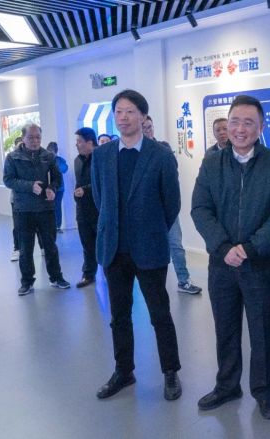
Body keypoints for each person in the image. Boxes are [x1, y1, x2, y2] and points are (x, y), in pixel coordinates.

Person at [191, 95, 270, 420]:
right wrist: (223, 248)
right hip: (221, 264)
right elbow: (200, 209)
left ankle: (265, 392)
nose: (239, 129)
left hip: (259, 264)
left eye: (249, 122)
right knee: (225, 329)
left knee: (262, 332)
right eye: (235, 121)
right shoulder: (212, 163)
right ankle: (227, 386)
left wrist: (249, 248)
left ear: (261, 127)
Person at [91, 89, 182, 401]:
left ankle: (170, 371)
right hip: (113, 249)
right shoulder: (102, 155)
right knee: (119, 316)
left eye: (130, 111)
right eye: (118, 111)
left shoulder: (160, 155)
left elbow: (172, 203)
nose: (123, 118)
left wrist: (151, 229)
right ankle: (123, 371)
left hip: (149, 248)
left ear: (143, 116)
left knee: (159, 314)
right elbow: (99, 198)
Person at [3, 123, 71, 295]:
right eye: (31, 137)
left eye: (38, 137)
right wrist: (29, 186)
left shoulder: (48, 156)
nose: (35, 141)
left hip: (45, 208)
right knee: (25, 249)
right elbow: (8, 180)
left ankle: (56, 277)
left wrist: (52, 189)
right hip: (23, 209)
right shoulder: (13, 157)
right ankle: (27, 282)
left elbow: (57, 178)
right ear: (23, 138)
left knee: (50, 246)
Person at [142, 115, 202, 295]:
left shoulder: (164, 148)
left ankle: (183, 280)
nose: (148, 131)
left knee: (175, 245)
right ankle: (152, 284)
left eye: (150, 127)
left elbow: (171, 177)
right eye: (144, 128)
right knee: (149, 247)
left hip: (166, 208)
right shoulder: (135, 153)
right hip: (145, 210)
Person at [73, 127, 99, 288]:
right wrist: (76, 194)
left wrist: (86, 190)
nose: (76, 145)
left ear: (90, 142)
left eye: (79, 141)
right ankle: (88, 274)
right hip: (82, 210)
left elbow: (104, 183)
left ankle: (111, 273)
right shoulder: (77, 160)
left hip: (99, 210)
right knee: (87, 244)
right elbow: (78, 183)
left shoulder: (100, 159)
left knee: (104, 244)